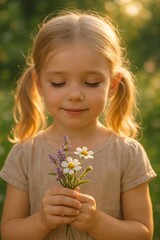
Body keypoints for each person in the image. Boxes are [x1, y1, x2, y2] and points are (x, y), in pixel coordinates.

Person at [0, 9, 157, 240]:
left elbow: (143, 233)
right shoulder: (25, 154)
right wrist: (42, 220)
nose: (74, 95)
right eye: (58, 82)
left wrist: (97, 222)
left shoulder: (127, 154)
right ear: (39, 84)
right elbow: (9, 232)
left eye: (91, 83)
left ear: (112, 85)